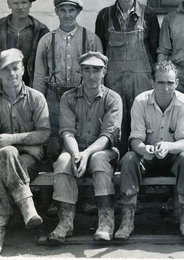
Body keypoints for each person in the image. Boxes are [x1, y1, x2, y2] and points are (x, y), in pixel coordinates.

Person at [116, 61, 184, 240]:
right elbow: (135, 140)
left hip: (173, 157)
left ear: (176, 83)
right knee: (129, 158)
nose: (166, 87)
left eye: (170, 83)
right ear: (153, 82)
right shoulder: (140, 101)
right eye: (161, 82)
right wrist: (145, 149)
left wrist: (169, 146)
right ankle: (127, 220)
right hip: (148, 158)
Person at [47, 52, 123, 243]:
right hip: (76, 148)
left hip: (103, 151)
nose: (91, 75)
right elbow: (67, 132)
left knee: (98, 159)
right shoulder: (68, 98)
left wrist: (87, 153)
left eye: (96, 70)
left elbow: (108, 135)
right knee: (63, 161)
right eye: (87, 70)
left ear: (104, 72)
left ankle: (106, 222)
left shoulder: (113, 99)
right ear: (80, 71)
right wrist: (75, 154)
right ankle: (65, 222)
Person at [0, 49, 50, 255]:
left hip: (29, 160)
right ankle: (27, 205)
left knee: (8, 166)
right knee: (8, 154)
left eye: (15, 68)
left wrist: (13, 139)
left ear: (23, 70)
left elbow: (44, 133)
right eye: (5, 70)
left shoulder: (36, 98)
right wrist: (26, 144)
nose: (11, 74)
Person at [95, 0, 161, 151]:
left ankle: (143, 157)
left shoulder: (148, 14)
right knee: (116, 118)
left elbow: (155, 51)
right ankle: (117, 158)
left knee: (142, 117)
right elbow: (99, 53)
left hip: (141, 79)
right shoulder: (103, 15)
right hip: (113, 79)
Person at [34, 0, 102, 160]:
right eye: (62, 10)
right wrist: (37, 105)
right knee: (54, 141)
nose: (67, 15)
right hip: (54, 98)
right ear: (56, 12)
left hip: (82, 96)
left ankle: (82, 182)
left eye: (71, 10)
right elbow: (39, 75)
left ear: (78, 12)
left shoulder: (91, 39)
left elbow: (100, 76)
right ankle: (51, 183)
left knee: (82, 136)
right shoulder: (47, 40)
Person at [0, 0, 50, 92]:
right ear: (9, 4)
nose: (20, 7)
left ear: (30, 4)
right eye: (15, 3)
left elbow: (47, 64)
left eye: (24, 2)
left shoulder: (41, 31)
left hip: (30, 91)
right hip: (0, 90)